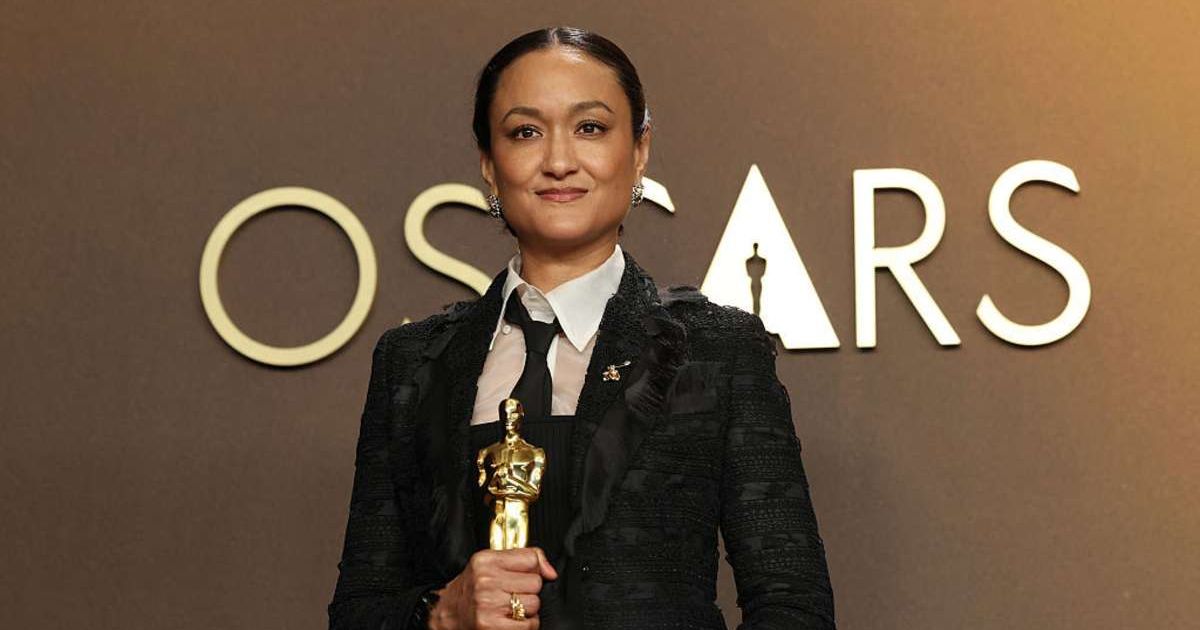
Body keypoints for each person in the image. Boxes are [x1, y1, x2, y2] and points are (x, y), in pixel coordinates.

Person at [328, 26, 836, 630]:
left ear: (640, 149)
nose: (559, 161)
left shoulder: (717, 349)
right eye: (525, 133)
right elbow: (360, 609)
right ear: (489, 166)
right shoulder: (410, 363)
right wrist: (440, 613)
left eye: (590, 128)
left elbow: (792, 603)